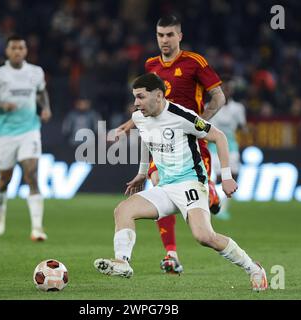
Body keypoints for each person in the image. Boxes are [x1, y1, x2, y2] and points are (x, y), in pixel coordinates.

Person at [94, 73, 268, 291]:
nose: (136, 103)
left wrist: (226, 177)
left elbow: (219, 137)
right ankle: (122, 262)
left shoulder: (182, 116)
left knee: (204, 236)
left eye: (140, 97)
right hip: (165, 187)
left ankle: (253, 268)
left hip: (190, 184)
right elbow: (146, 142)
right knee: (123, 210)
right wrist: (141, 173)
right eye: (134, 97)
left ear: (158, 95)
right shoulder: (140, 117)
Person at [112, 15, 226, 273]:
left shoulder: (194, 62)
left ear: (179, 36)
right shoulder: (150, 64)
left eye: (170, 35)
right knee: (159, 185)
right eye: (160, 35)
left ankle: (211, 193)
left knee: (198, 196)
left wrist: (200, 125)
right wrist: (132, 124)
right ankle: (171, 254)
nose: (165, 40)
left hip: (190, 142)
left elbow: (219, 97)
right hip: (161, 144)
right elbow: (146, 106)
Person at [0, 35, 52, 241]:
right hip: (5, 133)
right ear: (7, 51)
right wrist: (2, 105)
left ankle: (37, 228)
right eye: (14, 48)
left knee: (32, 174)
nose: (18, 51)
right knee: (5, 180)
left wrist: (45, 108)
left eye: (21, 48)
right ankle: (0, 206)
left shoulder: (35, 72)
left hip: (30, 130)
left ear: (26, 51)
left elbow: (41, 92)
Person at [208, 80, 248, 219]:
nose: (226, 90)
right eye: (224, 88)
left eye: (229, 88)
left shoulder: (238, 108)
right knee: (217, 177)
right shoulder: (210, 106)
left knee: (233, 176)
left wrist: (245, 133)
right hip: (213, 146)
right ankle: (214, 200)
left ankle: (223, 207)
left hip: (231, 146)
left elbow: (242, 126)